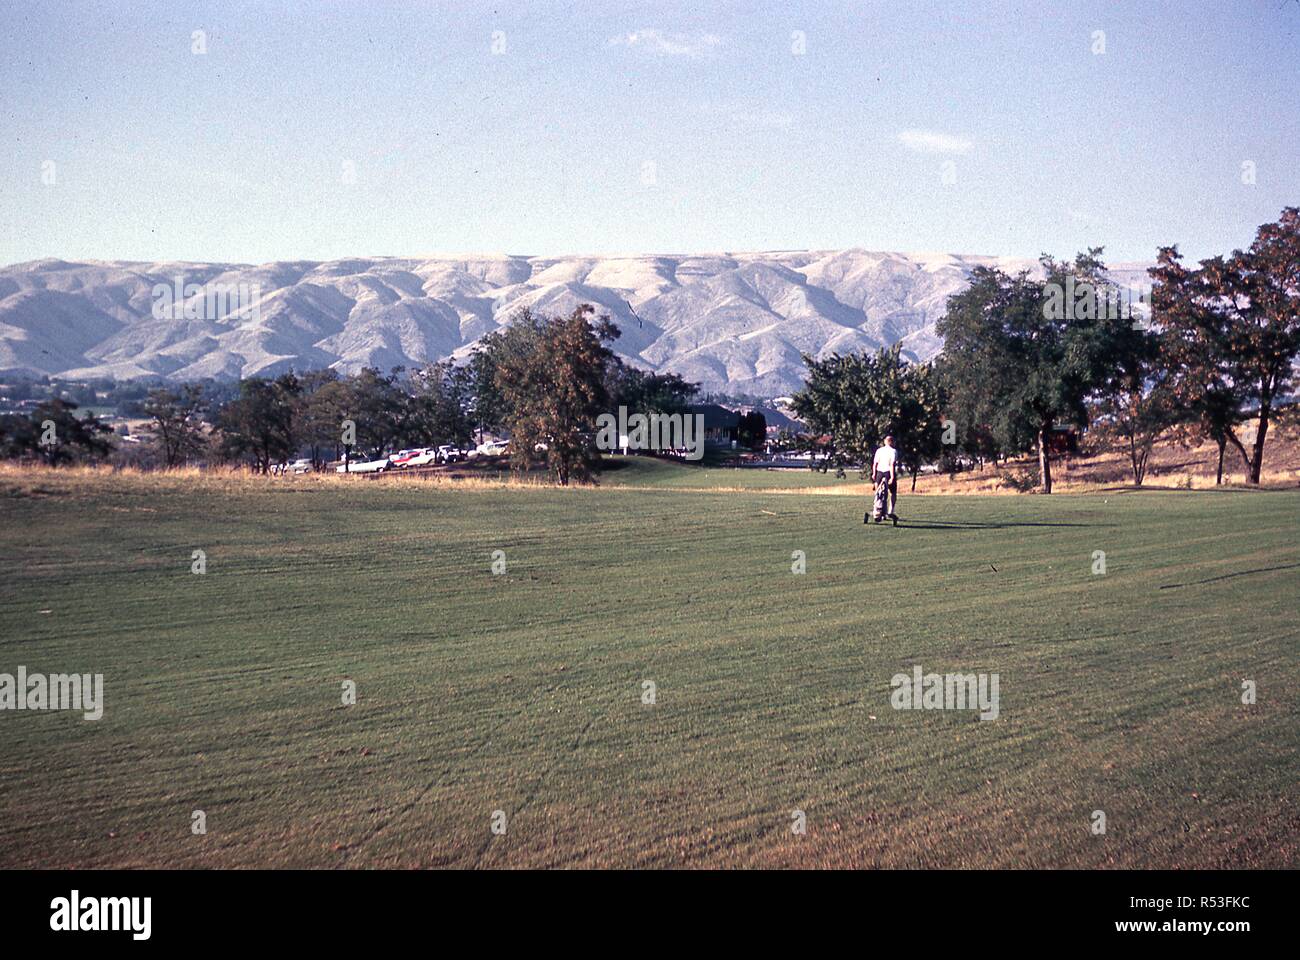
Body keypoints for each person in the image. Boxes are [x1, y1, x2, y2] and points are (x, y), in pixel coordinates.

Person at [871, 434, 899, 520]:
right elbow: (892, 464)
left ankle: (877, 510)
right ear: (892, 442)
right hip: (888, 473)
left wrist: (874, 474)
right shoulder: (893, 451)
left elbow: (875, 464)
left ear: (885, 442)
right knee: (892, 493)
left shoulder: (879, 450)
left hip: (879, 472)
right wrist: (892, 477)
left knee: (878, 492)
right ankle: (890, 510)